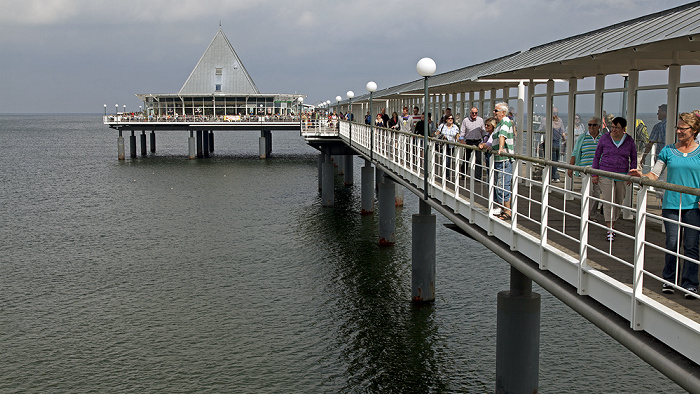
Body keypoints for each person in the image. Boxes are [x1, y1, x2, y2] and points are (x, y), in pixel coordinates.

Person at [629, 111, 700, 298]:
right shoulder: (668, 151)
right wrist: (642, 176)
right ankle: (669, 280)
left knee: (691, 246)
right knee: (672, 243)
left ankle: (690, 284)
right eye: (677, 127)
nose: (677, 131)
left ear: (693, 130)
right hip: (671, 204)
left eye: (682, 128)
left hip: (693, 206)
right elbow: (655, 174)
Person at [591, 117, 637, 241]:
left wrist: (631, 174)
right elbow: (597, 157)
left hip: (622, 175)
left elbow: (633, 158)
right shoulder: (605, 138)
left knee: (618, 201)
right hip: (605, 173)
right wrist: (594, 174)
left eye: (617, 127)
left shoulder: (629, 141)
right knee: (608, 200)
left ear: (623, 129)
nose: (614, 130)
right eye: (612, 127)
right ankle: (610, 229)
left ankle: (613, 223)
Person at [567, 117, 603, 221]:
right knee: (587, 190)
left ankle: (592, 215)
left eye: (594, 125)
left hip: (598, 169)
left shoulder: (603, 138)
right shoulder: (583, 137)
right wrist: (571, 167)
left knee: (596, 192)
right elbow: (575, 152)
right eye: (589, 125)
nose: (591, 127)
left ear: (599, 127)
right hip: (585, 169)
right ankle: (585, 214)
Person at [492, 102, 515, 220]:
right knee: (499, 185)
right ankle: (503, 209)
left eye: (496, 111)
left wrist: (501, 149)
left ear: (503, 112)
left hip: (504, 160)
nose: (494, 112)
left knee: (503, 185)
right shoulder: (499, 123)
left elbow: (502, 135)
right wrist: (488, 146)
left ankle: (507, 211)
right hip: (498, 160)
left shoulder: (505, 121)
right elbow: (495, 138)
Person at [538, 107, 565, 181]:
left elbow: (540, 130)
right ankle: (554, 175)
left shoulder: (545, 120)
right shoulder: (560, 121)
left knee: (552, 160)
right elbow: (562, 131)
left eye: (555, 113)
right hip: (557, 143)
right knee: (556, 160)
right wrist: (564, 139)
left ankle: (553, 176)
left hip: (550, 143)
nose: (555, 115)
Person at [460, 107, 487, 180]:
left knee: (478, 159)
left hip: (478, 141)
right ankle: (463, 174)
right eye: (473, 113)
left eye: (476, 113)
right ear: (470, 113)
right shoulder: (466, 120)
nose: (474, 114)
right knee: (466, 157)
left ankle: (478, 176)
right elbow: (462, 132)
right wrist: (462, 140)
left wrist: (485, 141)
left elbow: (483, 131)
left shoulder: (480, 120)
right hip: (469, 141)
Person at [478, 117, 498, 182]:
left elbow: (487, 145)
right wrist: (482, 144)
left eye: (488, 125)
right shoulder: (487, 134)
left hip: (494, 159)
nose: (486, 126)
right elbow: (481, 144)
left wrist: (483, 145)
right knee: (489, 179)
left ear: (493, 126)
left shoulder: (493, 134)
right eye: (485, 125)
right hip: (488, 158)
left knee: (493, 179)